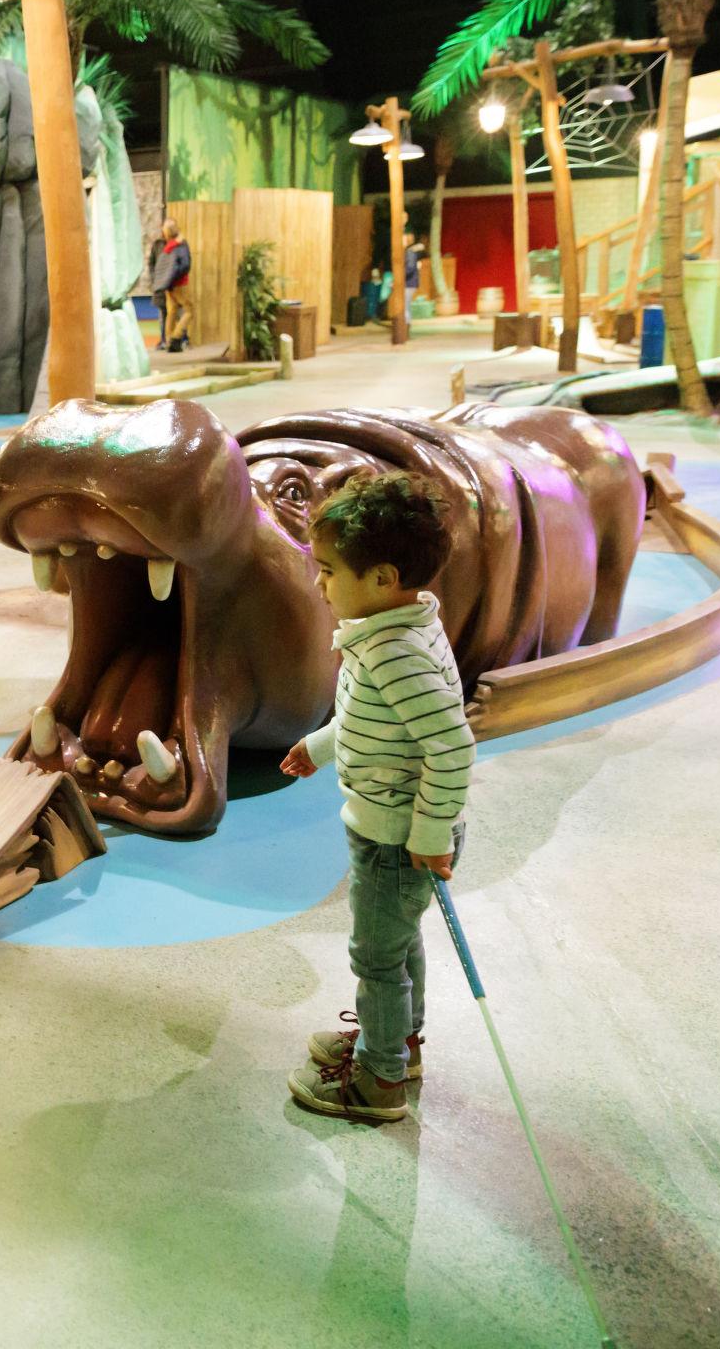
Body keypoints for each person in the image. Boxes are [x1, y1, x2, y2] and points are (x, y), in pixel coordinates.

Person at [279, 472, 472, 1123]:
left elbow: (452, 747)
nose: (320, 583)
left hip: (397, 837)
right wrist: (321, 745)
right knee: (398, 945)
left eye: (330, 571)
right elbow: (372, 716)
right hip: (395, 829)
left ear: (384, 578)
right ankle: (399, 1041)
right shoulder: (392, 629)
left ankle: (378, 1080)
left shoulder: (396, 653)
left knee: (376, 957)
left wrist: (428, 837)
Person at [150, 218, 194, 352]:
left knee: (172, 311)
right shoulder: (181, 244)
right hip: (179, 284)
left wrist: (166, 281)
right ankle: (176, 336)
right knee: (189, 310)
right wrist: (176, 278)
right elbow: (185, 264)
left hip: (168, 286)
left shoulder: (167, 247)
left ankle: (169, 340)